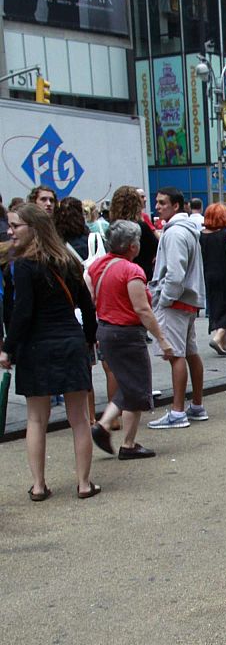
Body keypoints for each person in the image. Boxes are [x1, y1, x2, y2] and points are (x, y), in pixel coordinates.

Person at [0, 203, 100, 498]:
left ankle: (39, 485)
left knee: (36, 419)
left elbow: (22, 312)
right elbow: (87, 306)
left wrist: (8, 348)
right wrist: (89, 338)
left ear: (34, 228)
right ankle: (84, 484)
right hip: (70, 342)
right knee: (79, 418)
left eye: (16, 225)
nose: (10, 231)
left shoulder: (24, 266)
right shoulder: (68, 261)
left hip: (36, 346)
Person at [88, 220, 174, 460]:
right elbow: (142, 309)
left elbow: (92, 296)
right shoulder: (131, 271)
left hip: (105, 330)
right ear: (132, 246)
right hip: (126, 334)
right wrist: (162, 339)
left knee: (128, 385)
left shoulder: (99, 266)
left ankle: (108, 427)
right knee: (137, 388)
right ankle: (125, 441)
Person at [147, 186, 209, 430]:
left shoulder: (173, 234)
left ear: (176, 206)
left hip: (176, 300)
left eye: (162, 203)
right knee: (189, 353)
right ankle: (196, 405)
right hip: (188, 300)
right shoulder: (187, 231)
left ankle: (177, 411)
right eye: (157, 202)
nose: (158, 206)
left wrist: (164, 299)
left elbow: (175, 273)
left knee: (176, 355)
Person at [199, 202, 226, 356]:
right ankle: (218, 337)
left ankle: (223, 343)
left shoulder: (201, 234)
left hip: (209, 275)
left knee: (216, 306)